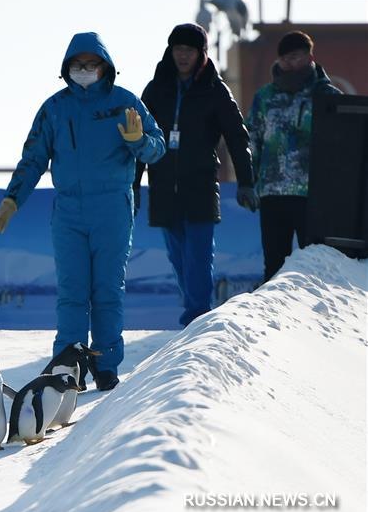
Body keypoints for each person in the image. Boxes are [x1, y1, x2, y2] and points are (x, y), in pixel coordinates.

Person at [0, 33, 165, 391]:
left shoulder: (125, 103)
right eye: (78, 65)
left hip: (112, 208)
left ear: (106, 67)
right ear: (66, 68)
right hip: (69, 210)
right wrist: (13, 200)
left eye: (91, 64)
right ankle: (68, 364)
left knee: (106, 290)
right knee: (72, 291)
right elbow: (33, 159)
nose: (85, 70)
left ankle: (105, 363)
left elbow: (157, 149)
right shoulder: (55, 108)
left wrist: (139, 142)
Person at [134, 23, 257, 328]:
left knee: (198, 257)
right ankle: (194, 310)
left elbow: (237, 138)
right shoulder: (155, 89)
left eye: (189, 50)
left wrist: (246, 181)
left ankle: (197, 317)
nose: (183, 56)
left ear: (201, 53)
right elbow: (137, 139)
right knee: (178, 259)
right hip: (163, 185)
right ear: (170, 51)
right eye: (178, 50)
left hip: (200, 185)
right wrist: (133, 184)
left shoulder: (215, 91)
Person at [246, 30, 342, 282]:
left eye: (295, 57)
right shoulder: (265, 97)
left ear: (310, 57)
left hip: (313, 194)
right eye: (284, 58)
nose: (289, 63)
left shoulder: (327, 96)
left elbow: (344, 145)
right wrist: (248, 180)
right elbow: (252, 139)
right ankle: (272, 318)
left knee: (317, 265)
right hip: (272, 193)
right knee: (274, 266)